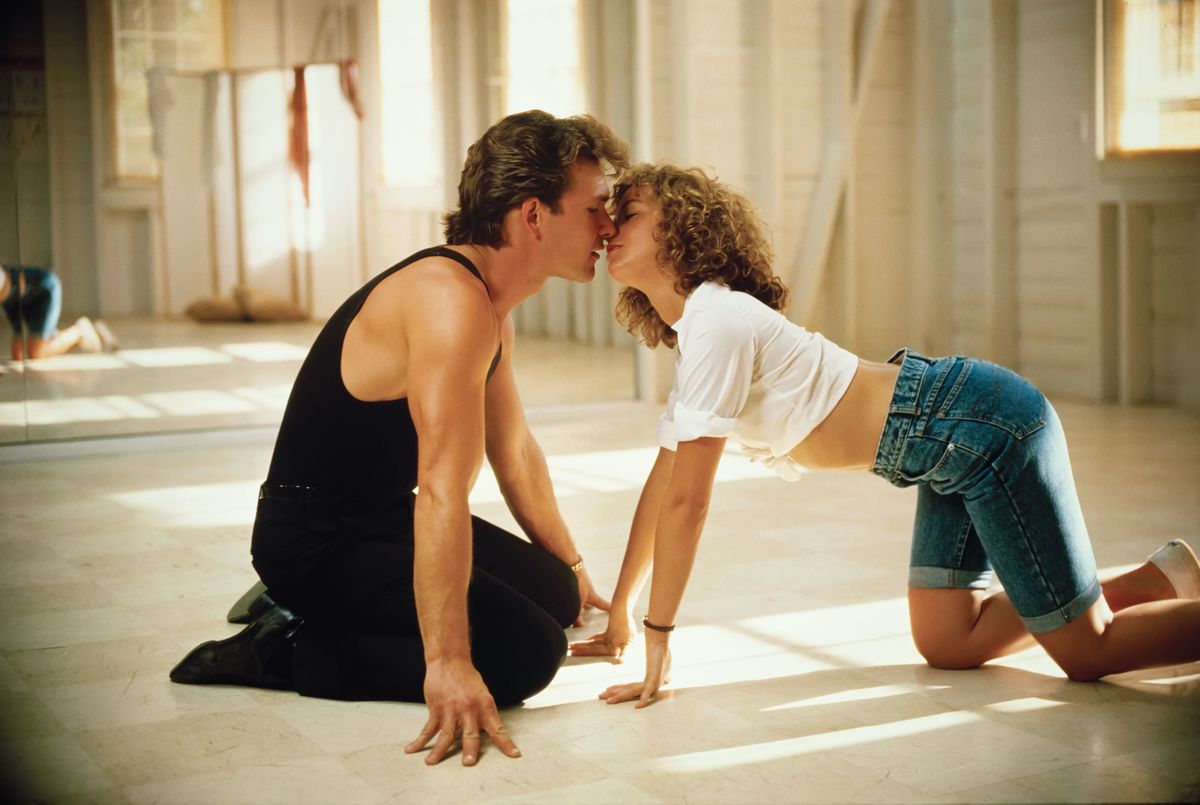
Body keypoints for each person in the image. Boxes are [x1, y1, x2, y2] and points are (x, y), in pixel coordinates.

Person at [569, 163, 1200, 707]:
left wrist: (660, 637)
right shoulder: (700, 331)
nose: (609, 227)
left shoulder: (719, 321)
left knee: (1086, 653)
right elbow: (663, 483)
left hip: (986, 428)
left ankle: (1092, 611)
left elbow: (689, 502)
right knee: (948, 642)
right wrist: (621, 614)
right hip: (947, 454)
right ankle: (1152, 581)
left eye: (629, 213)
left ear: (682, 229)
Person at [170, 110, 628, 766]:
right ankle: (285, 645)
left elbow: (515, 453)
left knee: (555, 594)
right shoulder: (449, 301)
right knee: (527, 655)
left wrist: (576, 571)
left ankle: (317, 608)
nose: (607, 226)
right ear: (533, 215)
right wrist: (447, 662)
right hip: (312, 541)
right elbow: (441, 490)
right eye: (593, 208)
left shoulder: (488, 304)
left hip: (377, 519)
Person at [1, 264, 116, 360]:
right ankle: (91, 333)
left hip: (44, 291)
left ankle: (79, 331)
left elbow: (12, 291)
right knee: (19, 355)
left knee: (36, 353)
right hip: (19, 299)